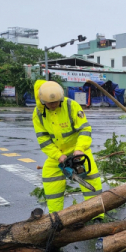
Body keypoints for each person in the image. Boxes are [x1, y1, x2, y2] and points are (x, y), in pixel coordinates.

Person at [32, 80, 103, 214]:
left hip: (78, 150)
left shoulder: (72, 106)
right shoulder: (38, 115)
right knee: (50, 179)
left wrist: (79, 149)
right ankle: (55, 218)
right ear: (42, 101)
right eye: (50, 103)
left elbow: (85, 129)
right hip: (57, 154)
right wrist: (59, 156)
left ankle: (97, 216)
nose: (53, 105)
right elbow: (44, 140)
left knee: (91, 178)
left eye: (56, 102)